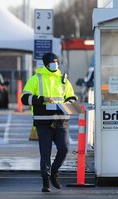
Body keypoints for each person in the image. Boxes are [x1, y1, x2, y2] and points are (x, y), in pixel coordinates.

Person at [21, 52, 77, 192]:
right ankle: (45, 182)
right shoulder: (36, 79)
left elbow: (72, 98)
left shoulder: (63, 80)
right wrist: (42, 99)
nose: (55, 64)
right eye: (53, 62)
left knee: (64, 149)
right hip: (43, 121)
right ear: (46, 64)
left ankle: (54, 173)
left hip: (60, 121)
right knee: (45, 153)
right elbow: (24, 98)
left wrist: (67, 104)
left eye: (56, 61)